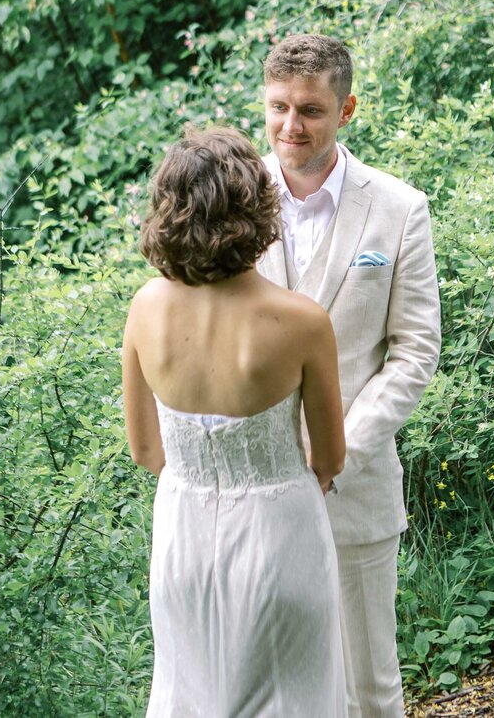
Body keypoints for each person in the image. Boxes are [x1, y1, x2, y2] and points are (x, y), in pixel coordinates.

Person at [123, 127, 348, 717]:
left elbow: (145, 449)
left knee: (189, 698)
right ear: (257, 207)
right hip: (281, 539)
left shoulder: (146, 308)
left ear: (168, 211)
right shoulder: (301, 320)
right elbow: (330, 459)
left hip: (183, 544)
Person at [257, 34, 442, 717]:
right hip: (257, 491)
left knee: (369, 688)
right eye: (277, 107)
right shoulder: (235, 201)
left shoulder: (398, 210)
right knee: (274, 683)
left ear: (347, 109)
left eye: (309, 109)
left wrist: (339, 447)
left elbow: (416, 351)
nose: (290, 126)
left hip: (357, 490)